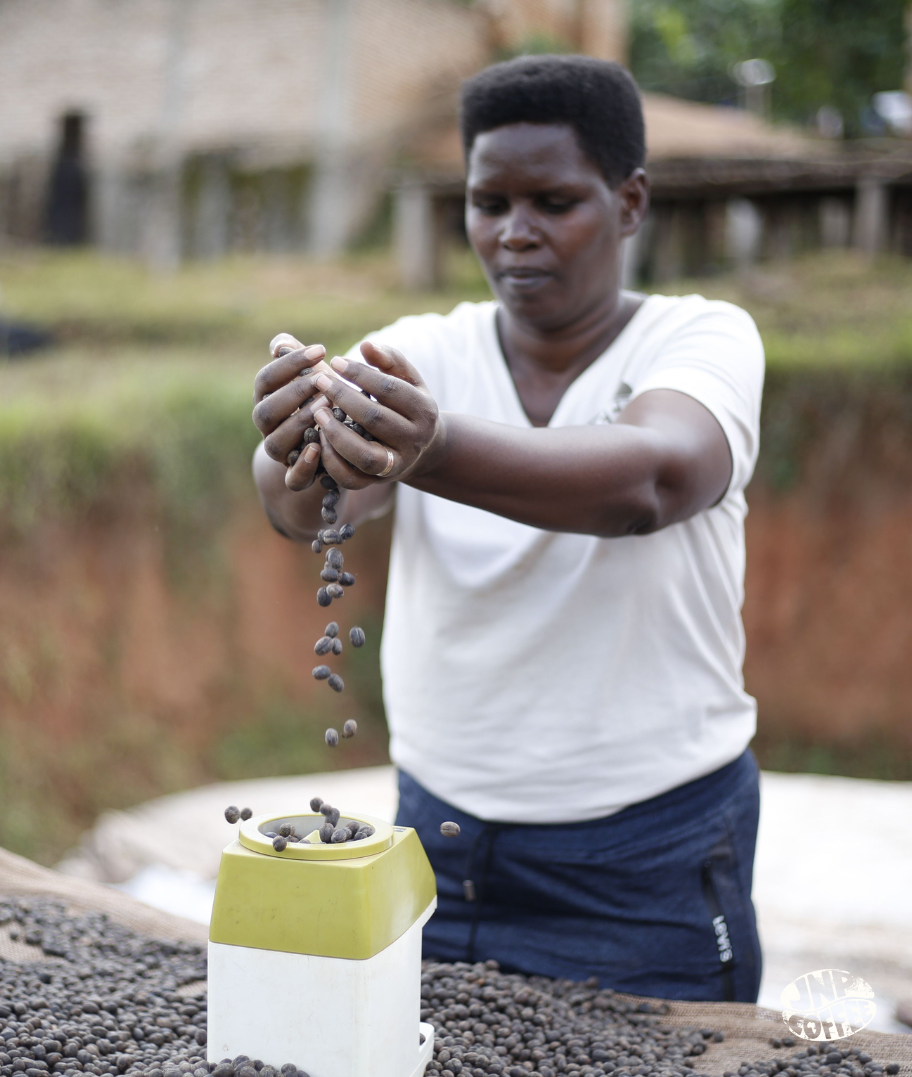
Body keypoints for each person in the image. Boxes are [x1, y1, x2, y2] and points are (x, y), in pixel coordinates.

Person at [251, 54, 764, 1003]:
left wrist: (432, 446)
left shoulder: (700, 340)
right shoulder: (428, 350)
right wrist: (289, 447)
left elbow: (651, 481)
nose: (515, 234)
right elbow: (316, 507)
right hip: (438, 838)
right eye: (490, 203)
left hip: (646, 855)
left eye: (553, 202)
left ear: (630, 203)